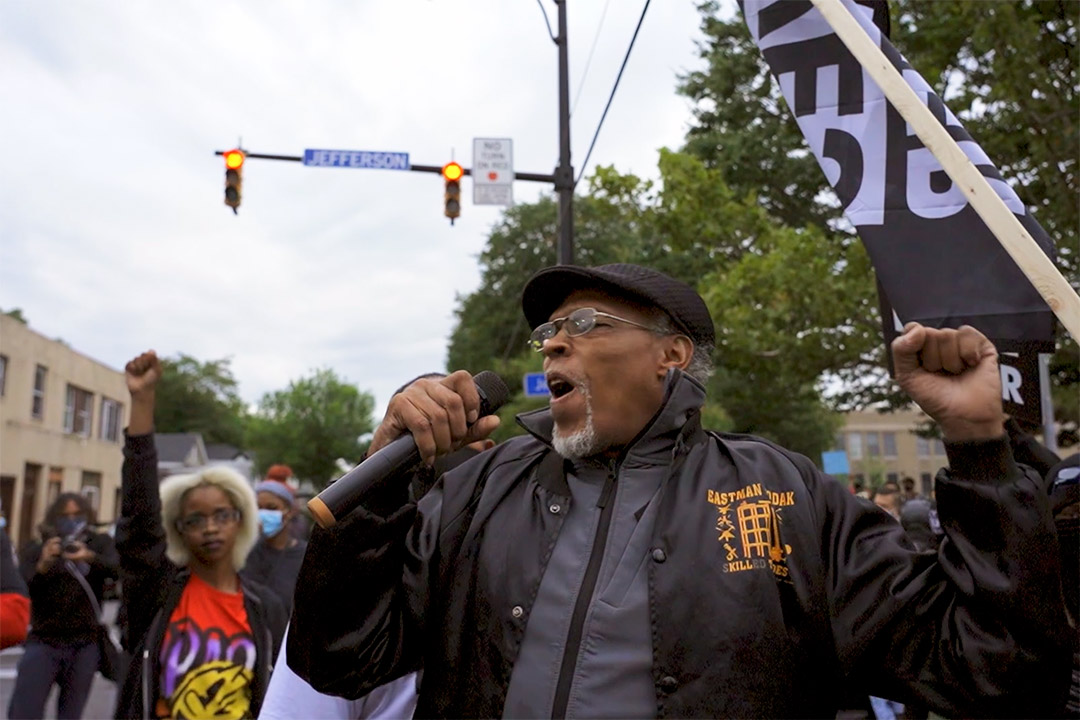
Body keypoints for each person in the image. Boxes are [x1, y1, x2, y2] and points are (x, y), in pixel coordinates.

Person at [288, 263, 1070, 718]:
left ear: (672, 353)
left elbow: (991, 669)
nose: (555, 341)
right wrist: (384, 484)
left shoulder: (783, 491)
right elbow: (340, 659)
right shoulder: (479, 489)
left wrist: (979, 448)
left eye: (587, 322)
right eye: (548, 333)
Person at [114, 350, 287, 720]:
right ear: (179, 529)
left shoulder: (266, 609)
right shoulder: (157, 594)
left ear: (240, 520)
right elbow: (139, 523)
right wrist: (142, 401)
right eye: (195, 519)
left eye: (221, 515)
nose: (210, 527)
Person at [7, 492, 118, 720]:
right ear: (54, 518)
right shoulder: (39, 547)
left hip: (84, 643)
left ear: (87, 515)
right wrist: (43, 564)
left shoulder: (99, 543)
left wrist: (90, 557)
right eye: (64, 516)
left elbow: (118, 570)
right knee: (25, 710)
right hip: (44, 640)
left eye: (77, 515)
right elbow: (21, 585)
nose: (71, 520)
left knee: (71, 713)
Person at [241, 466, 306, 617]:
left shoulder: (305, 556)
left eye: (271, 508)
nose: (263, 514)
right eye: (258, 508)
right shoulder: (243, 552)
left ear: (289, 512)